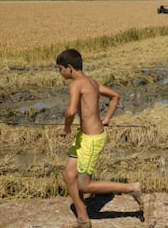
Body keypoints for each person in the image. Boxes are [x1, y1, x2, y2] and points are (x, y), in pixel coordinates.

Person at [56, 48, 144, 228]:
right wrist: (106, 119)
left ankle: (132, 188)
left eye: (60, 68)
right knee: (68, 175)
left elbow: (71, 111)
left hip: (92, 139)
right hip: (84, 137)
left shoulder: (75, 84)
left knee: (83, 185)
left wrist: (66, 129)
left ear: (69, 67)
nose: (60, 72)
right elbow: (115, 96)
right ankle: (83, 218)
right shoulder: (92, 82)